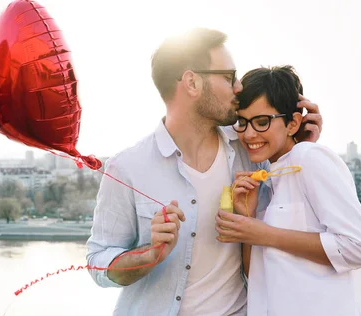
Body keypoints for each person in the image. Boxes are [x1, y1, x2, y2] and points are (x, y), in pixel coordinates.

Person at [86, 28, 323, 316]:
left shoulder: (251, 152)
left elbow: (296, 220)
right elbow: (98, 261)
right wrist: (150, 254)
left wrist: (295, 147)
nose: (239, 88)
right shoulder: (127, 168)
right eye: (228, 77)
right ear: (192, 82)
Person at [216, 65, 361, 316]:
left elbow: (360, 248)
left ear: (293, 123)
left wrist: (264, 234)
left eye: (261, 122)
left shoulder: (309, 157)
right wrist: (247, 221)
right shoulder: (269, 179)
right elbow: (255, 276)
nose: (248, 134)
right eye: (242, 122)